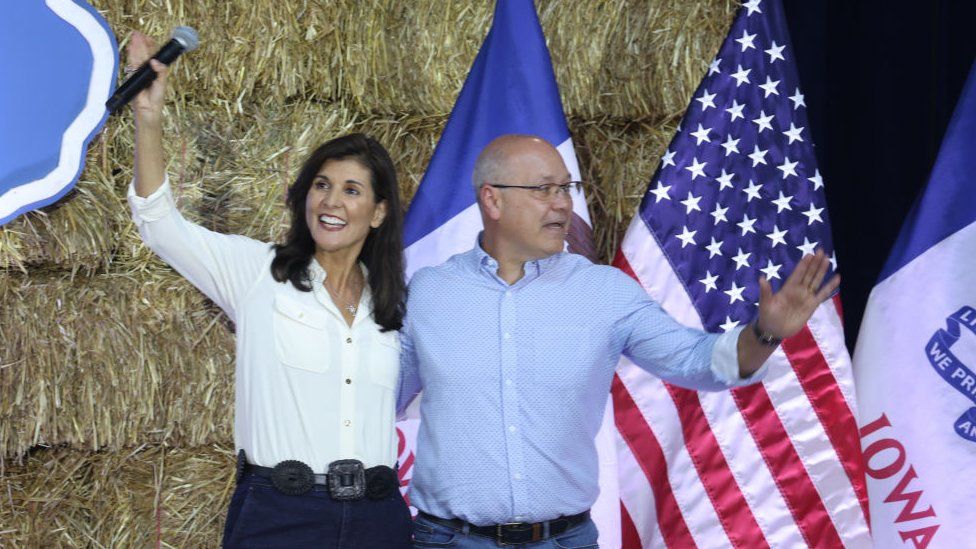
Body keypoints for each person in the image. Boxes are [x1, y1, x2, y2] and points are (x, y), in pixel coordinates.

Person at [398, 134, 840, 548]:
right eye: (543, 190)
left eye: (566, 189)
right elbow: (376, 394)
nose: (561, 205)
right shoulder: (428, 292)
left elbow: (696, 360)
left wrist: (764, 333)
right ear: (492, 199)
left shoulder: (606, 292)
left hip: (564, 539)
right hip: (449, 540)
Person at [125, 32, 411, 548]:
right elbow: (159, 223)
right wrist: (149, 118)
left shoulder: (393, 303)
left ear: (380, 212)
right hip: (280, 515)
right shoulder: (259, 272)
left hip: (379, 519)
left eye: (352, 191)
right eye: (321, 185)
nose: (332, 201)